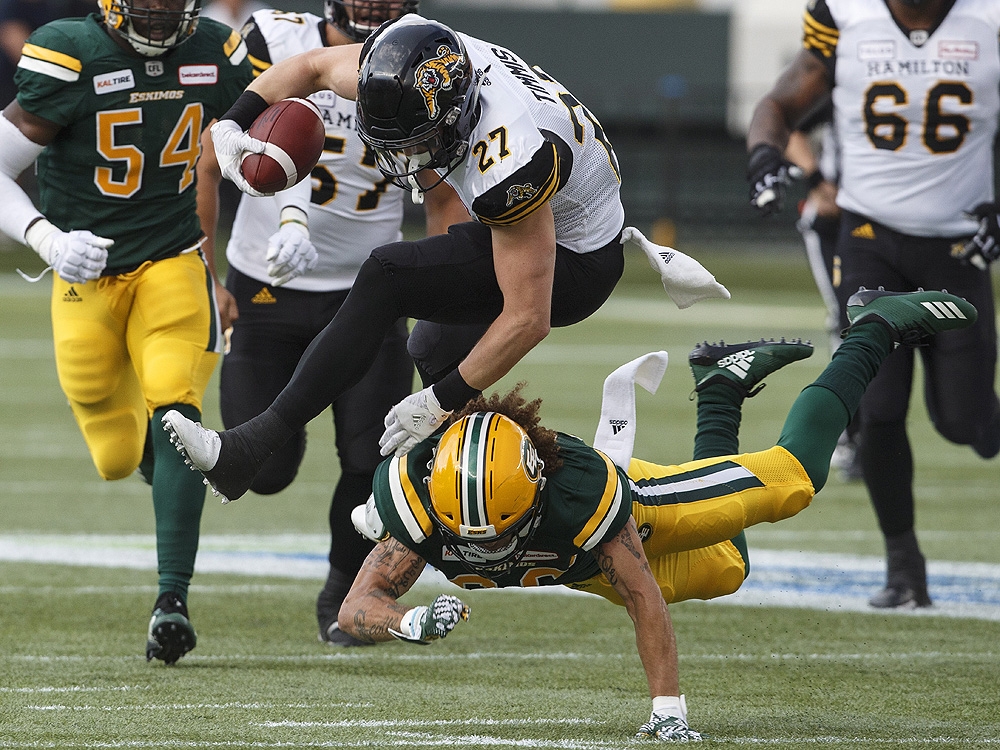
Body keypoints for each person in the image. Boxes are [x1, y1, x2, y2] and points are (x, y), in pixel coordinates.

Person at [296, 288, 975, 743]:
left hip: (641, 512)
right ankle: (722, 384)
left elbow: (641, 594)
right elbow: (355, 608)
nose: (489, 542)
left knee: (794, 480)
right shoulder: (421, 499)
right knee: (729, 569)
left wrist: (667, 713)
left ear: (534, 488)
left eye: (502, 525)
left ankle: (876, 326)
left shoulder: (575, 495)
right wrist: (408, 621)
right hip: (570, 564)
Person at [156, 14, 727, 504]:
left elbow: (528, 318)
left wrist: (436, 401)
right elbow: (307, 67)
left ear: (456, 118)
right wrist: (233, 120)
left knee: (389, 277)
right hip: (544, 207)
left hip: (579, 260)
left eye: (413, 140)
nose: (403, 156)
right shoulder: (418, 63)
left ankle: (250, 449)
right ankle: (451, 498)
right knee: (432, 344)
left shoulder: (509, 155)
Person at [195, 0, 472, 647]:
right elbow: (213, 158)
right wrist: (205, 276)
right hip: (266, 284)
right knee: (264, 471)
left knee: (368, 458)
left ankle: (342, 595)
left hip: (366, 291)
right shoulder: (273, 38)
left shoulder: (423, 57)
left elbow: (440, 196)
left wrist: (440, 304)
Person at [0, 0, 252, 663]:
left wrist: (287, 217)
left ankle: (172, 600)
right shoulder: (72, 52)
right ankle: (168, 472)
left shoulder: (216, 52)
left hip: (172, 260)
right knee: (116, 454)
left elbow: (266, 143)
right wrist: (45, 239)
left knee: (176, 408)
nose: (162, 10)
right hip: (85, 270)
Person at [744, 0, 1000, 609]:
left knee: (962, 421)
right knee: (879, 412)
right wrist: (763, 155)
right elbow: (779, 103)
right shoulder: (844, 13)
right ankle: (904, 567)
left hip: (959, 247)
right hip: (869, 244)